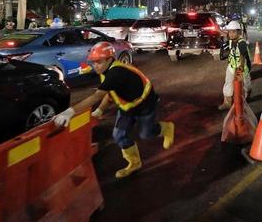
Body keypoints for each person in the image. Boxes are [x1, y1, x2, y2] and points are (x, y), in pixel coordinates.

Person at [54, 42, 175, 179]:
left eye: (98, 62)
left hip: (144, 105)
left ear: (110, 59)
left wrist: (69, 112)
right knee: (119, 136)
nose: (95, 66)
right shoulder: (106, 72)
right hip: (127, 107)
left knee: (146, 134)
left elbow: (97, 95)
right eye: (93, 63)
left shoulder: (117, 72)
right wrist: (100, 110)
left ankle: (166, 128)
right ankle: (134, 163)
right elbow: (109, 92)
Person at [218, 20, 252, 111]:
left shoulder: (242, 43)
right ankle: (227, 103)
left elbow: (243, 56)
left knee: (246, 85)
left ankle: (247, 96)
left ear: (239, 32)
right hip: (232, 66)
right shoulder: (231, 39)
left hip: (243, 67)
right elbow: (225, 35)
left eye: (233, 32)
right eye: (229, 32)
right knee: (228, 83)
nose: (231, 34)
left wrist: (240, 69)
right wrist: (217, 29)